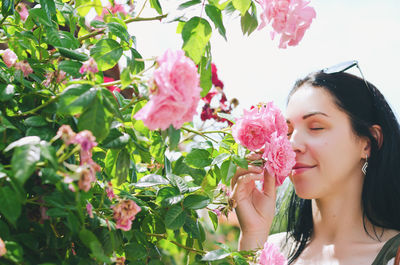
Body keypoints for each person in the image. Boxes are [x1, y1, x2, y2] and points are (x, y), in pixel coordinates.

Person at [230, 61, 400, 265]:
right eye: (288, 132)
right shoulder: (271, 252)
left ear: (368, 143)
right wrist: (252, 236)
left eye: (316, 127)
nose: (292, 144)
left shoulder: (393, 255)